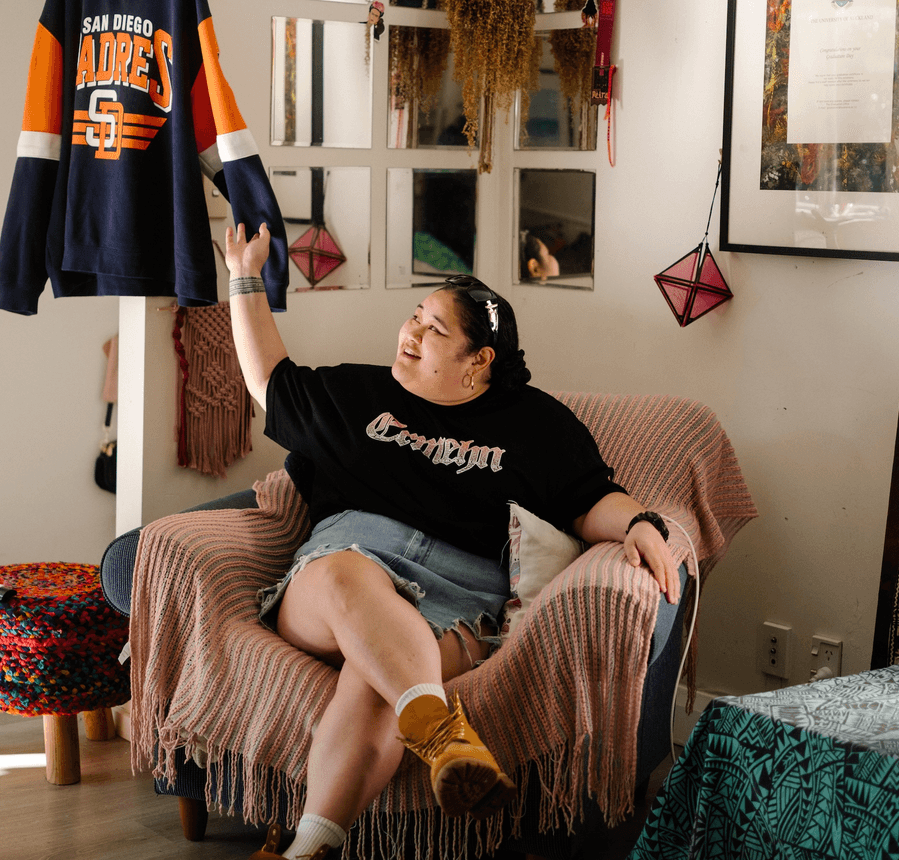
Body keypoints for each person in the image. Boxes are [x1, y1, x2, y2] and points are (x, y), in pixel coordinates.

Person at [225, 222, 679, 860]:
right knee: (342, 575)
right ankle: (441, 733)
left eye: (434, 329)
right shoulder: (357, 393)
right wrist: (243, 276)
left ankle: (309, 849)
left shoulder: (535, 424)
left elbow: (588, 499)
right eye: (414, 316)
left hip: (455, 594)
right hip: (338, 572)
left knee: (375, 676)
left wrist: (638, 524)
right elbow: (267, 377)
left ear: (479, 361)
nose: (410, 332)